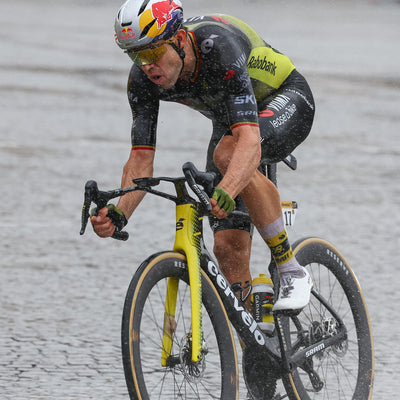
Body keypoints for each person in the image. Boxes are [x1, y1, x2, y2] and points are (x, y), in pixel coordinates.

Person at [91, 0, 315, 312]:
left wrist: (229, 189)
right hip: (232, 124)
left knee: (228, 155)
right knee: (227, 248)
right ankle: (255, 336)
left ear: (180, 40)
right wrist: (119, 213)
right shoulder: (143, 79)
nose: (146, 66)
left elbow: (249, 141)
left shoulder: (217, 47)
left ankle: (292, 270)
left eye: (152, 53)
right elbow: (140, 160)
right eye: (135, 56)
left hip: (284, 98)